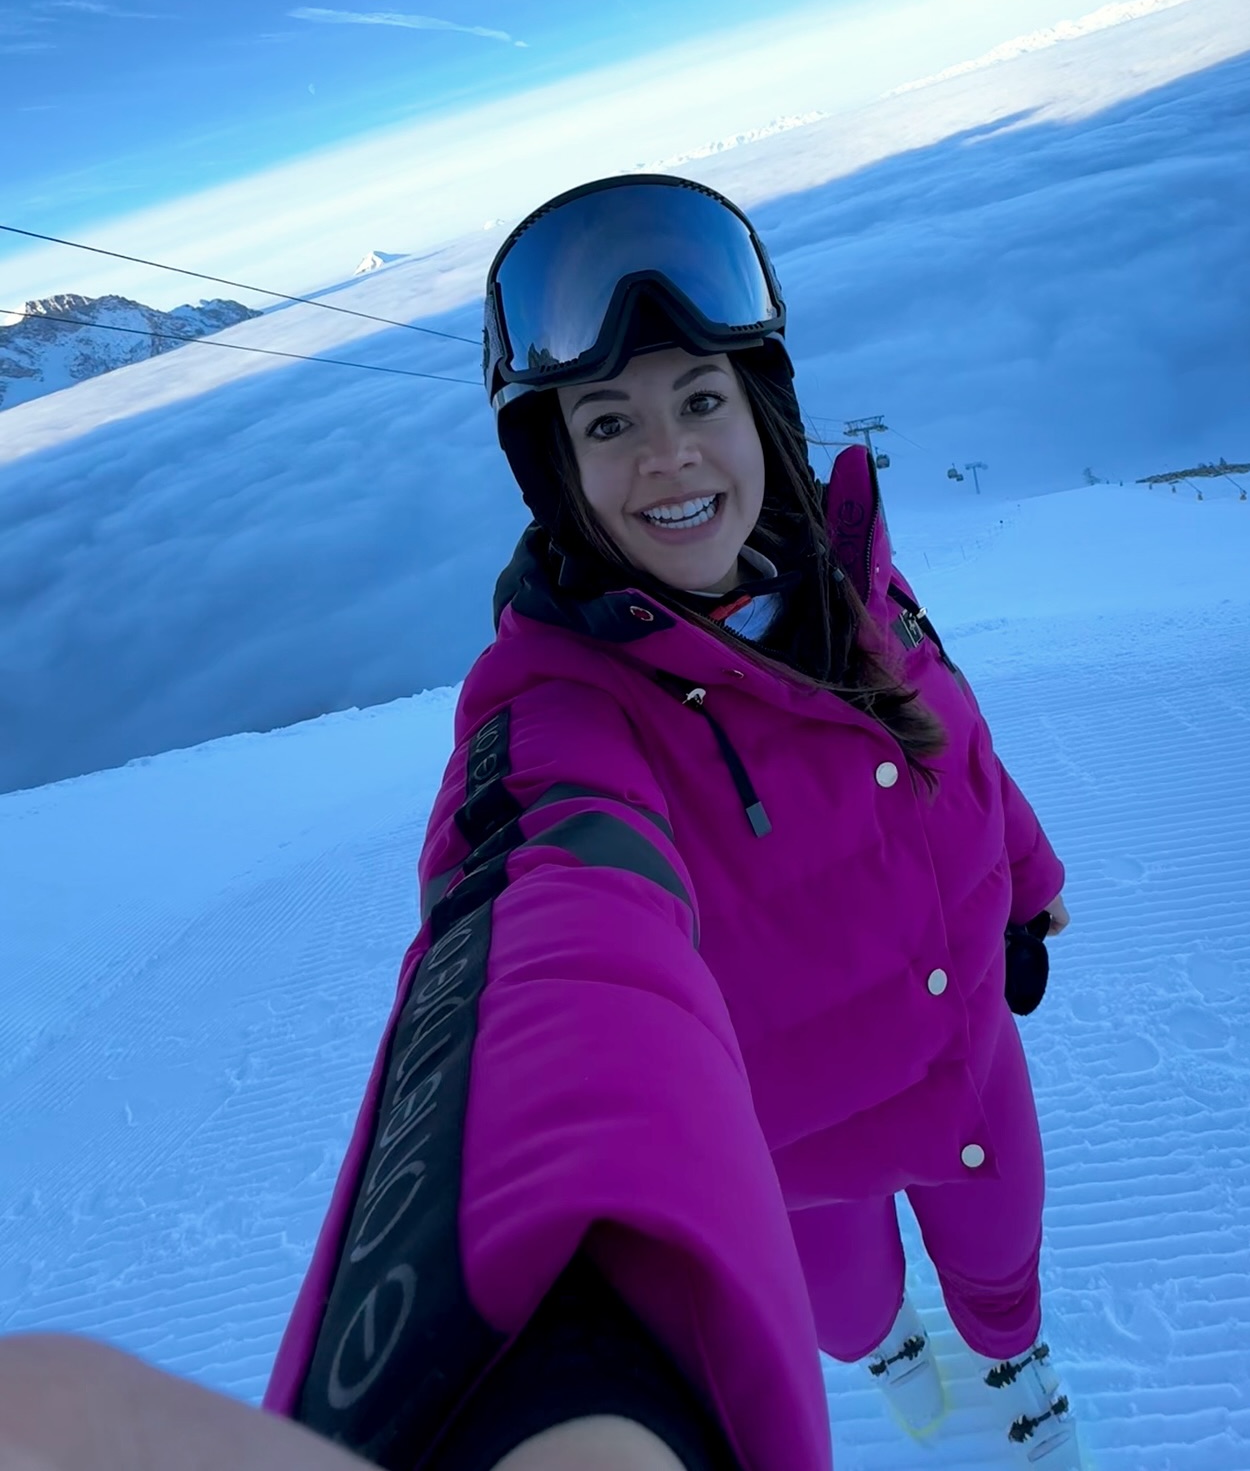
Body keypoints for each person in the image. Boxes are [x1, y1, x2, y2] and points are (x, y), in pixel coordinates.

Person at [0, 174, 1076, 1471]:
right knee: (849, 1314)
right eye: (609, 421)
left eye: (700, 400)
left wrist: (1028, 881)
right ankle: (896, 1351)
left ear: (763, 411)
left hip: (971, 1070)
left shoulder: (856, 578)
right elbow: (538, 918)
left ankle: (1019, 1377)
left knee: (1005, 1266)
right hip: (800, 1150)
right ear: (556, 469)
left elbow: (956, 739)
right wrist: (512, 1361)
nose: (670, 454)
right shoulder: (567, 708)